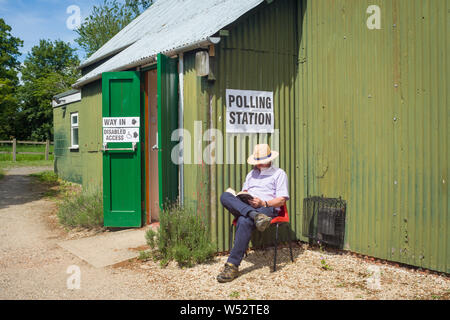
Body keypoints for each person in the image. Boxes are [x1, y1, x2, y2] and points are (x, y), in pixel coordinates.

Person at [217, 144, 289, 283]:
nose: (259, 164)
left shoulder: (279, 173)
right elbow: (245, 192)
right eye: (257, 161)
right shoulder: (251, 174)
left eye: (261, 161)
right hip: (249, 206)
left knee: (244, 221)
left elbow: (281, 200)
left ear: (269, 159)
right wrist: (244, 198)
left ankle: (232, 266)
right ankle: (253, 215)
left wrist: (263, 203)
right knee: (225, 196)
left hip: (266, 208)